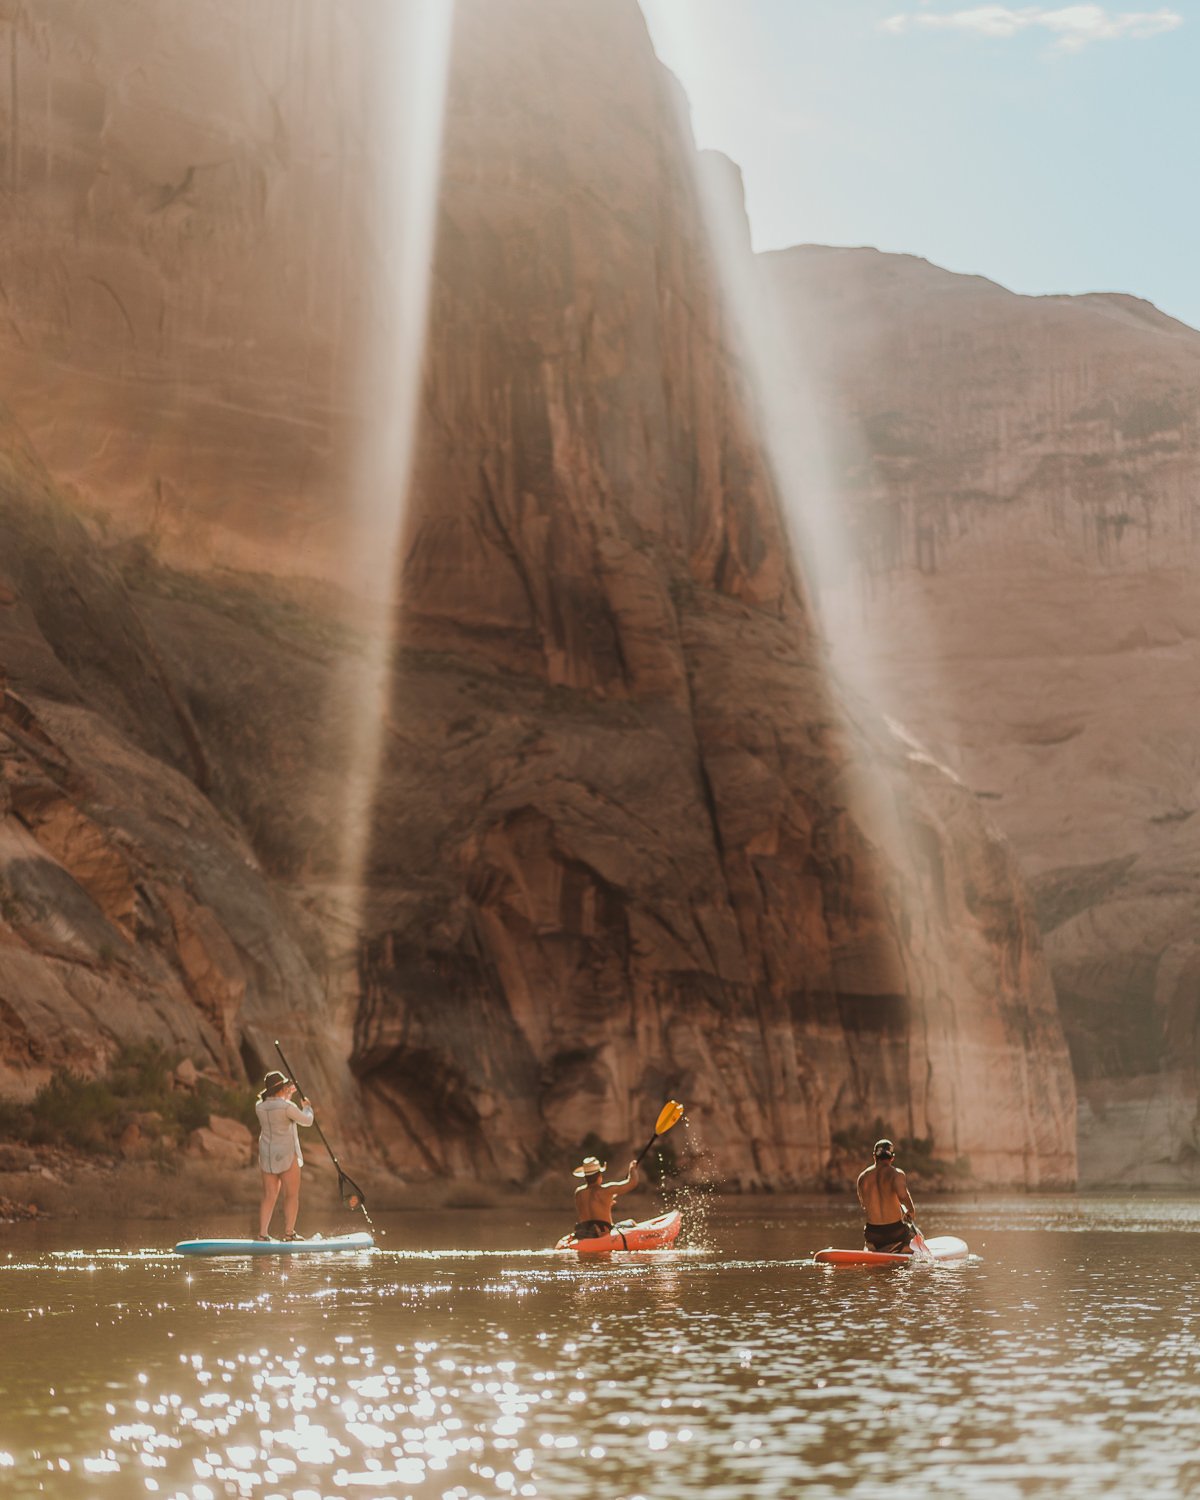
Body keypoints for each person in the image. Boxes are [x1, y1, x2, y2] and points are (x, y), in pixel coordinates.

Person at [255, 1070, 314, 1241]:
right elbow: (307, 1121)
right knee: (291, 1195)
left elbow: (275, 1106)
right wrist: (307, 1107)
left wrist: (286, 1095)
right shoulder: (288, 1107)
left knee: (269, 1195)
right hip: (287, 1155)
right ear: (281, 1089)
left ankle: (262, 1234)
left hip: (267, 1155)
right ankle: (289, 1233)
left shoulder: (259, 1107)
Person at [856, 1138, 918, 1253]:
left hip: (872, 1233)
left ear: (874, 1156)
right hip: (895, 1232)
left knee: (872, 1240)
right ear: (892, 1157)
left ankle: (872, 1247)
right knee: (915, 1237)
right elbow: (903, 1197)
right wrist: (911, 1211)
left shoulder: (862, 1177)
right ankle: (904, 1248)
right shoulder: (897, 1174)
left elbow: (864, 1205)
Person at [572, 1153, 639, 1239]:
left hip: (583, 1232)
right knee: (631, 1222)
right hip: (603, 1232)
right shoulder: (606, 1190)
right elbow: (632, 1182)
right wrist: (632, 1169)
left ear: (585, 1177)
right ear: (600, 1176)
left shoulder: (578, 1192)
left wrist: (608, 1203)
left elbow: (591, 1206)